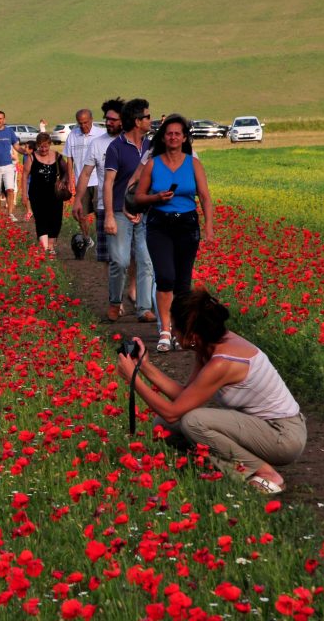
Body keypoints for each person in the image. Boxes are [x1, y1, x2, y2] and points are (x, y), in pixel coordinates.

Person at [115, 290, 306, 494]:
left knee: (193, 422)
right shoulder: (211, 345)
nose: (172, 333)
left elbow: (173, 411)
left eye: (174, 328)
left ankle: (266, 475)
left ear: (192, 336)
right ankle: (222, 469)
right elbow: (184, 398)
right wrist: (144, 367)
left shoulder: (222, 362)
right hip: (261, 428)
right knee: (164, 427)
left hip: (283, 435)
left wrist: (133, 380)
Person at [133, 113, 215, 351]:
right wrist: (156, 197)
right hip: (160, 224)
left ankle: (181, 330)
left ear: (184, 137)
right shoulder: (153, 163)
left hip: (187, 225)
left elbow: (205, 197)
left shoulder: (193, 163)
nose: (173, 137)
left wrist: (208, 226)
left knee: (182, 282)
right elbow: (138, 197)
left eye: (177, 133)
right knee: (165, 277)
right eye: (169, 133)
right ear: (163, 137)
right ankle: (165, 330)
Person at [103, 98, 156, 323]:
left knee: (146, 260)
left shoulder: (151, 146)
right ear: (137, 121)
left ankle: (144, 308)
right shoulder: (116, 147)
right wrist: (108, 216)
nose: (150, 120)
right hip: (119, 211)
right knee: (121, 260)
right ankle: (115, 301)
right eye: (147, 116)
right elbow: (108, 182)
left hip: (145, 212)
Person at [72, 98, 124, 264]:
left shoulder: (131, 142)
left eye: (113, 120)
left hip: (129, 207)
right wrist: (78, 200)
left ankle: (132, 291)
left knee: (131, 256)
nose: (108, 123)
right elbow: (85, 174)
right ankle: (114, 291)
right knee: (107, 258)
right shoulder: (97, 143)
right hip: (104, 206)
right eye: (106, 119)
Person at [64, 109, 104, 251]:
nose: (83, 126)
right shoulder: (73, 135)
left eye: (86, 122)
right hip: (81, 182)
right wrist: (70, 180)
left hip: (99, 181)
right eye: (80, 123)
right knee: (80, 214)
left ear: (92, 120)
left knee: (101, 214)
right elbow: (69, 159)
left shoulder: (101, 134)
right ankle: (87, 238)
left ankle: (102, 242)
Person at [24, 132, 67, 256]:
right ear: (37, 145)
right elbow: (25, 175)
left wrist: (63, 181)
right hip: (37, 194)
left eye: (46, 146)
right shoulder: (32, 157)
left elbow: (65, 172)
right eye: (41, 147)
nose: (43, 149)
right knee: (41, 219)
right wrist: (24, 195)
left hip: (54, 194)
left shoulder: (57, 156)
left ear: (50, 145)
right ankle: (45, 248)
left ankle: (51, 246)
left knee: (55, 219)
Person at [0, 111, 25, 221]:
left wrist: (25, 152)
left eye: (0, 118)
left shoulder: (9, 131)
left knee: (10, 190)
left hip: (8, 166)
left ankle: (10, 213)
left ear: (4, 120)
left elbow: (16, 146)